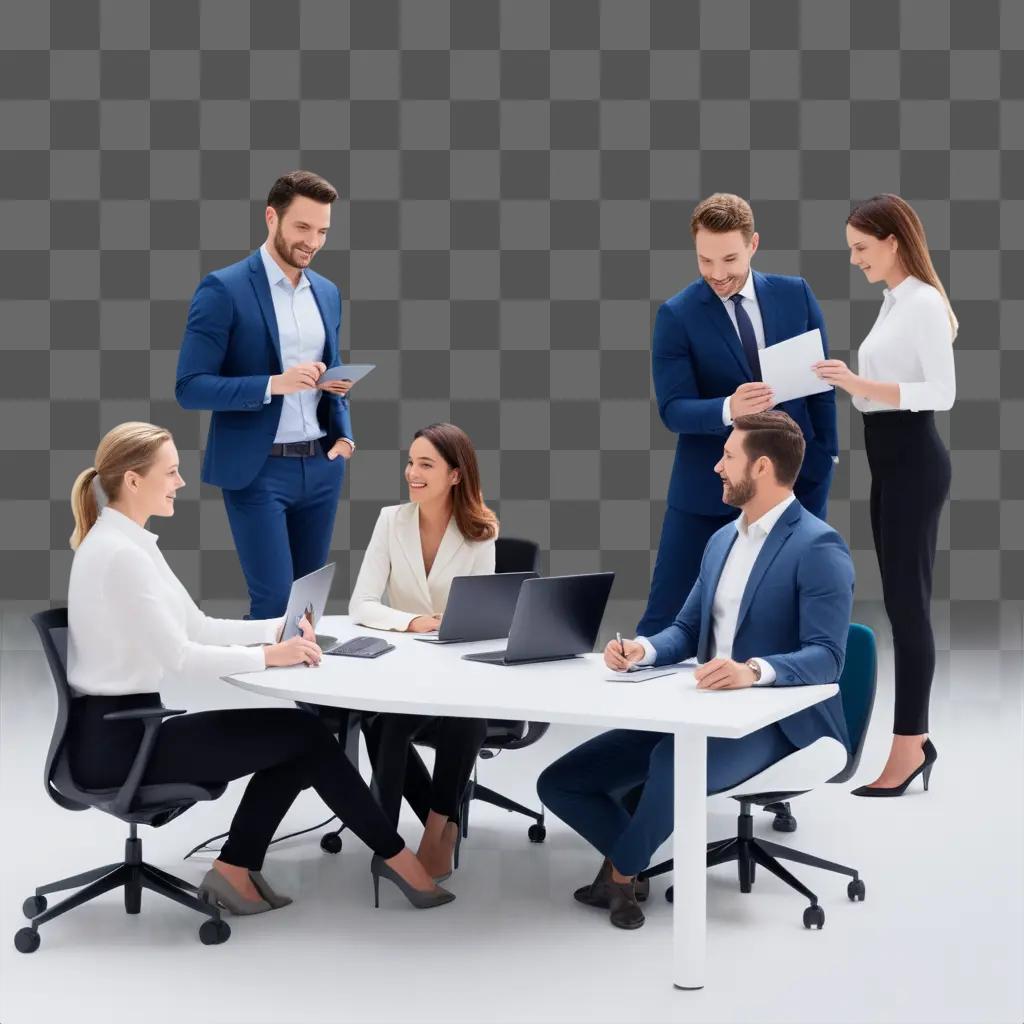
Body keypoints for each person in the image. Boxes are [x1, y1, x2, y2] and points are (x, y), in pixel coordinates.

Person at [66, 423, 453, 914]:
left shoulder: (131, 543)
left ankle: (237, 868)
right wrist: (271, 657)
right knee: (305, 735)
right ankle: (398, 860)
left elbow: (198, 626)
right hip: (121, 747)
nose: (181, 482)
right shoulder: (121, 555)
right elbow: (182, 657)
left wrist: (275, 630)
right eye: (172, 472)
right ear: (134, 482)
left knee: (301, 737)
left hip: (124, 730)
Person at [537, 412, 854, 930]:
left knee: (669, 762)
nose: (716, 467)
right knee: (562, 782)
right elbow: (684, 632)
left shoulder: (818, 547)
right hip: (699, 708)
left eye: (728, 456)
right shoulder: (721, 541)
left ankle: (620, 876)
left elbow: (828, 657)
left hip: (773, 723)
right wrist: (642, 649)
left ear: (764, 466)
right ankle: (633, 862)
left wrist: (753, 671)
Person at [638, 193, 839, 637]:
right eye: (704, 260)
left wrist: (826, 456)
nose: (717, 274)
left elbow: (821, 383)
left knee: (789, 618)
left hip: (793, 485)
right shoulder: (677, 314)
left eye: (728, 259)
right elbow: (673, 409)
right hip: (707, 489)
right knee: (667, 619)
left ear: (753, 245)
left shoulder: (795, 294)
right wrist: (730, 407)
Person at [814, 194, 955, 797]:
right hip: (891, 462)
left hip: (915, 463)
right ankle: (912, 742)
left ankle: (909, 746)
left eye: (862, 248)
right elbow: (885, 393)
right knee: (901, 602)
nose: (855, 260)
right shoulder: (895, 302)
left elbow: (941, 393)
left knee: (907, 608)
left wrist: (857, 382)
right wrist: (848, 385)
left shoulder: (922, 303)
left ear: (894, 241)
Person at [176, 170, 356, 620]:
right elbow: (189, 387)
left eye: (322, 231)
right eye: (302, 227)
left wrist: (344, 436)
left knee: (308, 606)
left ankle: (308, 694)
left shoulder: (328, 293)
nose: (312, 242)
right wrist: (274, 383)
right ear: (271, 218)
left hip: (321, 465)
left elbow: (329, 374)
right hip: (258, 472)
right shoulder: (224, 289)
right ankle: (268, 686)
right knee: (275, 605)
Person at [349, 423, 498, 881]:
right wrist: (412, 622)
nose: (412, 472)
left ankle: (437, 829)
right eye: (411, 462)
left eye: (426, 464)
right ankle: (389, 842)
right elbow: (361, 604)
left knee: (466, 713)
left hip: (457, 668)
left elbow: (479, 618)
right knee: (384, 724)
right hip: (403, 668)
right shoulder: (390, 521)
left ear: (456, 475)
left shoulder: (481, 531)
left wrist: (446, 632)